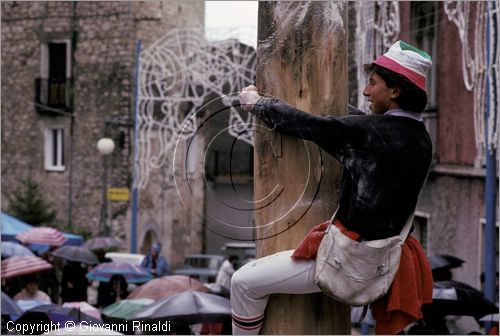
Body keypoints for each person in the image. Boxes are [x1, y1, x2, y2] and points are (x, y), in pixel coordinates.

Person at [232, 40, 434, 335]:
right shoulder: (420, 137)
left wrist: (256, 103)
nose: (366, 91)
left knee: (243, 283)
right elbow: (357, 125)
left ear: (395, 91)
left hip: (347, 263)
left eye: (373, 83)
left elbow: (312, 125)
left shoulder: (373, 134)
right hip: (375, 262)